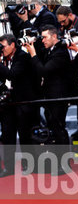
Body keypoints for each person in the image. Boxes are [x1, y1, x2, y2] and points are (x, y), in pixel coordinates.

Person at [25, 25, 71, 175]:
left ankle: (64, 165)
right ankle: (59, 162)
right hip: (50, 97)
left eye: (45, 37)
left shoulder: (60, 52)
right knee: (55, 129)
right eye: (42, 37)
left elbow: (44, 70)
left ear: (54, 36)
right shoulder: (50, 50)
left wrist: (33, 54)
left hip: (58, 97)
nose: (42, 40)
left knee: (59, 129)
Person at [0, 34, 39, 177]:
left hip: (23, 102)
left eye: (3, 46)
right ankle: (9, 168)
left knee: (25, 136)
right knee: (7, 136)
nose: (1, 49)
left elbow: (12, 74)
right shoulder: (4, 58)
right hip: (8, 103)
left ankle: (29, 165)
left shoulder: (22, 56)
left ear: (12, 45)